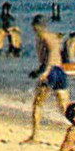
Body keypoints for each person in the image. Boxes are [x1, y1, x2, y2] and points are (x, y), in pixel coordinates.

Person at [24, 15, 69, 143]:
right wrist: (38, 71)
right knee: (64, 107)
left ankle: (35, 136)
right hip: (60, 71)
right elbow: (55, 55)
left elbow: (51, 54)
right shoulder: (53, 36)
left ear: (37, 26)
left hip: (51, 72)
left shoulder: (43, 37)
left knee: (37, 104)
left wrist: (45, 71)